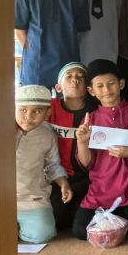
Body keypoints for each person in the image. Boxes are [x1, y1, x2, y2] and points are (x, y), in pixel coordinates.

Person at [72, 60, 128, 240]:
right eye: (99, 86)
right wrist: (82, 142)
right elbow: (86, 164)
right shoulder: (90, 120)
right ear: (91, 91)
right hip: (100, 194)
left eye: (111, 83)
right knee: (80, 231)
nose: (106, 90)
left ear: (121, 84)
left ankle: (115, 223)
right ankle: (115, 223)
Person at [16, 85, 72, 243]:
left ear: (48, 113)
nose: (28, 116)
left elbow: (52, 165)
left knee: (43, 234)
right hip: (1, 198)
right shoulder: (1, 128)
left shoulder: (48, 134)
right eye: (23, 110)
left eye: (37, 111)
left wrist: (63, 183)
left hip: (32, 198)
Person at [49, 62, 98, 230]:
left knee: (82, 224)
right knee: (56, 221)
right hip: (56, 176)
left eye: (80, 77)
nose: (75, 80)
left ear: (88, 88)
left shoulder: (96, 111)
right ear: (59, 87)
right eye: (69, 77)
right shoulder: (49, 108)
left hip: (87, 177)